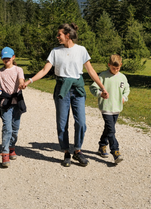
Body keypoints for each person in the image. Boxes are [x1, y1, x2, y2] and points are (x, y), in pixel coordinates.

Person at [23, 23, 108, 167]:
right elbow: (44, 70)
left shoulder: (81, 50)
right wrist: (29, 81)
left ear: (67, 35)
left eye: (59, 35)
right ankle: (66, 152)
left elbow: (91, 71)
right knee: (62, 124)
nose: (57, 37)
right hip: (62, 90)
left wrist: (102, 87)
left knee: (81, 122)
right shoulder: (55, 51)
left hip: (78, 89)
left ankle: (78, 150)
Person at [89, 54, 130, 164]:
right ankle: (115, 152)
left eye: (118, 68)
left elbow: (127, 89)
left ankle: (102, 145)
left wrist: (124, 97)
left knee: (108, 129)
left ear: (121, 65)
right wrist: (99, 93)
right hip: (106, 107)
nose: (115, 70)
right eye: (113, 68)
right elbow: (93, 87)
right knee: (111, 130)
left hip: (117, 108)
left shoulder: (122, 77)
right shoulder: (103, 76)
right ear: (109, 65)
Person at [0, 47, 25, 168]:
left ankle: (12, 147)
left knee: (15, 128)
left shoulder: (18, 70)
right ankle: (5, 153)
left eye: (8, 57)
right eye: (4, 58)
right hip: (5, 102)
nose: (6, 60)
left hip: (17, 101)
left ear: (13, 57)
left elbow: (21, 80)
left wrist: (22, 84)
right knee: (7, 127)